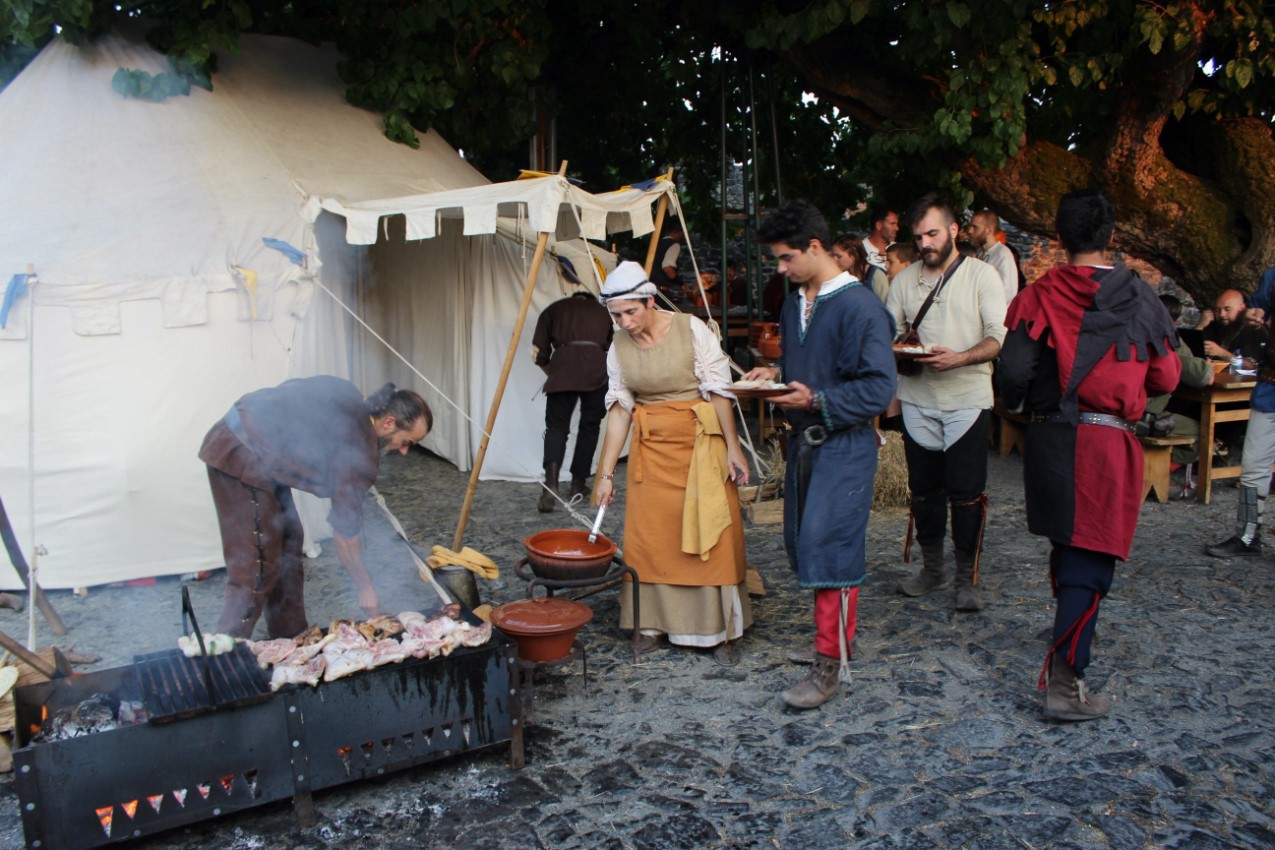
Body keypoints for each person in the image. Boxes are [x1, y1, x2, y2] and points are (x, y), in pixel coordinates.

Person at [997, 188, 1180, 721]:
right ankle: (1063, 683)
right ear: (1112, 238)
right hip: (1104, 443)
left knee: (1071, 545)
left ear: (1058, 239)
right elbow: (1168, 375)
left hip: (1052, 438)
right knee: (1089, 558)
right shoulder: (1141, 297)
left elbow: (1012, 373)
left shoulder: (1039, 294)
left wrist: (1028, 404)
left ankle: (1066, 647)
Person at [742, 201, 896, 709]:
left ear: (815, 247)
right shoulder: (794, 304)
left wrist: (816, 400)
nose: (780, 270)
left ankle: (830, 665)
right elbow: (804, 361)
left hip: (846, 446)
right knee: (805, 547)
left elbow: (877, 389)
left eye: (786, 259)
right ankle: (832, 645)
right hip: (804, 446)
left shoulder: (862, 307)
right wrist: (776, 372)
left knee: (830, 549)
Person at [592, 261, 752, 666]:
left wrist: (734, 449)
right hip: (652, 450)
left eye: (631, 311)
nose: (625, 321)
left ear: (649, 300)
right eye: (616, 315)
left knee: (710, 535)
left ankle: (718, 630)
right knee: (652, 538)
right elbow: (620, 409)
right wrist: (606, 473)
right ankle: (651, 624)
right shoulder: (618, 345)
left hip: (700, 444)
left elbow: (718, 391)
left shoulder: (690, 328)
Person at [200, 377, 432, 639]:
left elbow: (290, 392)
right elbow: (345, 535)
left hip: (263, 457)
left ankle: (290, 638)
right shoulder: (359, 454)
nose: (404, 451)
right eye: (407, 442)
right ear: (388, 422)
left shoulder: (350, 393)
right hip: (240, 451)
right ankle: (223, 656)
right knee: (258, 565)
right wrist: (366, 587)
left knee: (289, 541)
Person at [886, 194, 1008, 611]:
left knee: (967, 494)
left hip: (968, 398)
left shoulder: (982, 276)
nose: (925, 244)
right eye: (918, 237)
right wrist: (902, 352)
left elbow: (997, 338)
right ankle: (933, 570)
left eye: (933, 233)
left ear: (954, 230)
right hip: (918, 398)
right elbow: (891, 334)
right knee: (924, 492)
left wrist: (961, 357)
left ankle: (966, 578)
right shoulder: (902, 282)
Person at [531, 286, 615, 511]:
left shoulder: (554, 309)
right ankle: (578, 485)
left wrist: (554, 371)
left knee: (556, 428)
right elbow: (612, 346)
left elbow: (538, 352)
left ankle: (551, 485)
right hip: (597, 373)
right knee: (590, 427)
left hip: (563, 372)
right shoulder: (603, 311)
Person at [1145, 294, 1213, 465]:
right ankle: (1153, 471)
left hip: (1113, 411)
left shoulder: (1129, 331)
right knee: (1201, 434)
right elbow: (1201, 375)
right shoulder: (1164, 337)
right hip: (1142, 415)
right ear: (1174, 321)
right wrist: (1206, 366)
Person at [1197, 289, 1268, 363]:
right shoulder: (1215, 325)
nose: (1222, 314)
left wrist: (1222, 353)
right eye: (1217, 310)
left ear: (1242, 308)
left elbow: (1251, 366)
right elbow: (1190, 353)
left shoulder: (1254, 329)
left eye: (1227, 309)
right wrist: (1200, 326)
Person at [966, 211, 1019, 305]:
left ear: (989, 231)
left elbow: (1008, 292)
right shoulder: (979, 252)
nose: (970, 231)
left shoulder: (1003, 255)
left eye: (975, 227)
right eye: (970, 226)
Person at [830, 233, 890, 302]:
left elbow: (886, 306)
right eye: (833, 256)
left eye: (839, 256)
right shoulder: (838, 277)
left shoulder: (876, 275)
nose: (834, 260)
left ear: (853, 255)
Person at [653, 221, 685, 296]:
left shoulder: (655, 244)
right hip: (661, 291)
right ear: (679, 232)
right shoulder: (674, 244)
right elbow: (667, 268)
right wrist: (681, 283)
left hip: (650, 289)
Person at [864, 204, 899, 270]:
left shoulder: (898, 250)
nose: (897, 228)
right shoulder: (860, 248)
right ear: (879, 225)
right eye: (892, 223)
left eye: (897, 224)